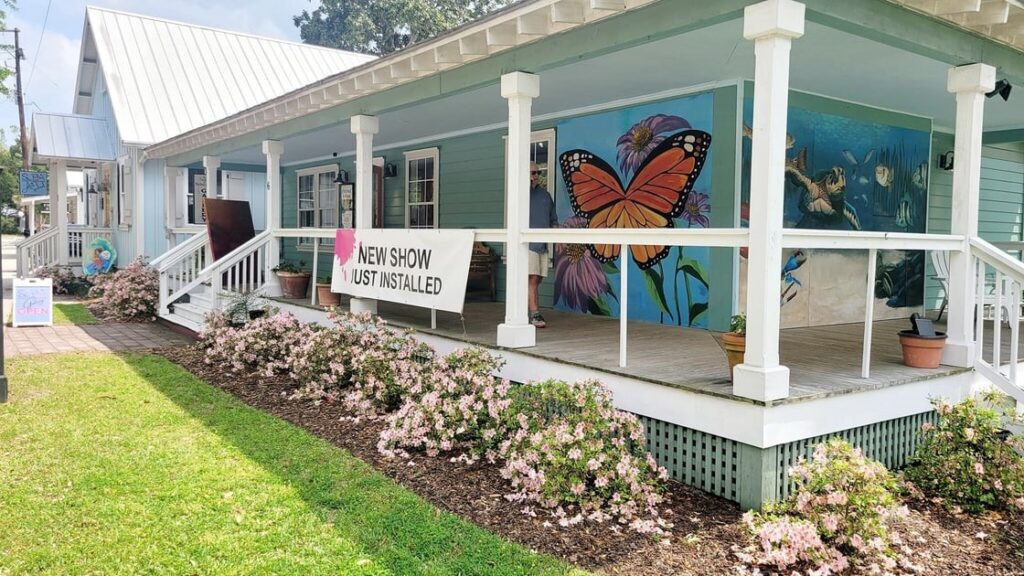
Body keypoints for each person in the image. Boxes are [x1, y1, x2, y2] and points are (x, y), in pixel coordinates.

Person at [528, 162, 557, 328]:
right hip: (527, 245)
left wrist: (559, 239)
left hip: (542, 245)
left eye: (537, 172)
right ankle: (535, 314)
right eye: (531, 172)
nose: (535, 175)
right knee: (532, 279)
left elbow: (553, 219)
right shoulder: (520, 194)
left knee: (537, 280)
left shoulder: (545, 195)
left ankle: (532, 310)